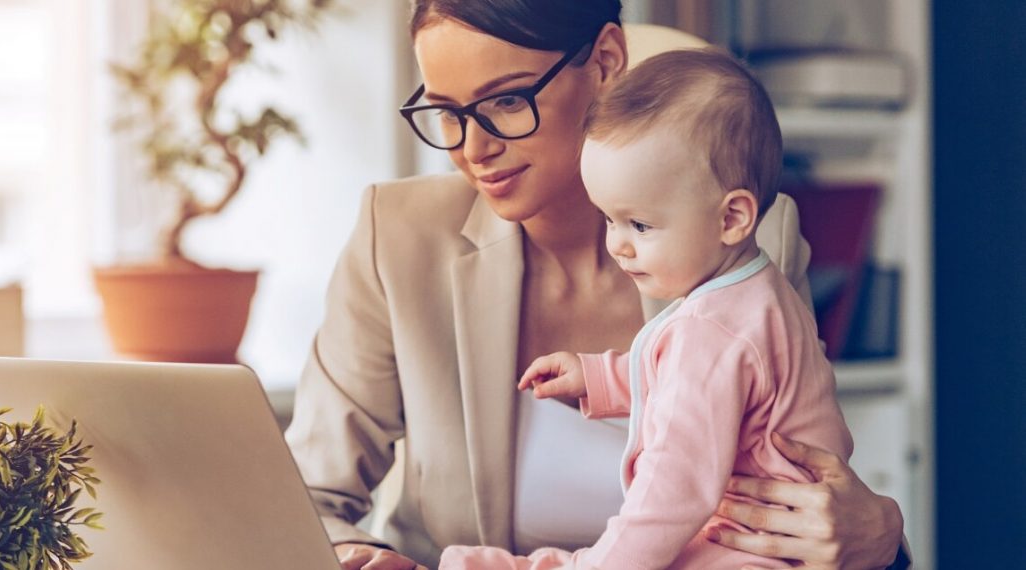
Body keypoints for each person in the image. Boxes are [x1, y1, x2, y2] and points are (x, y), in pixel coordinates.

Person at [284, 1, 907, 569]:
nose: (472, 148)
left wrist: (880, 537)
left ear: (606, 61)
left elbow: (802, 473)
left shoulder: (740, 246)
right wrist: (358, 557)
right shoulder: (395, 237)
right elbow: (303, 499)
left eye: (506, 101)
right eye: (447, 112)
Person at [438, 47, 854, 570]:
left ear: (732, 218)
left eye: (639, 225)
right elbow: (698, 387)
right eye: (608, 219)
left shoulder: (710, 330)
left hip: (750, 548)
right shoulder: (760, 294)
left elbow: (674, 492)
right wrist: (597, 377)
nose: (618, 244)